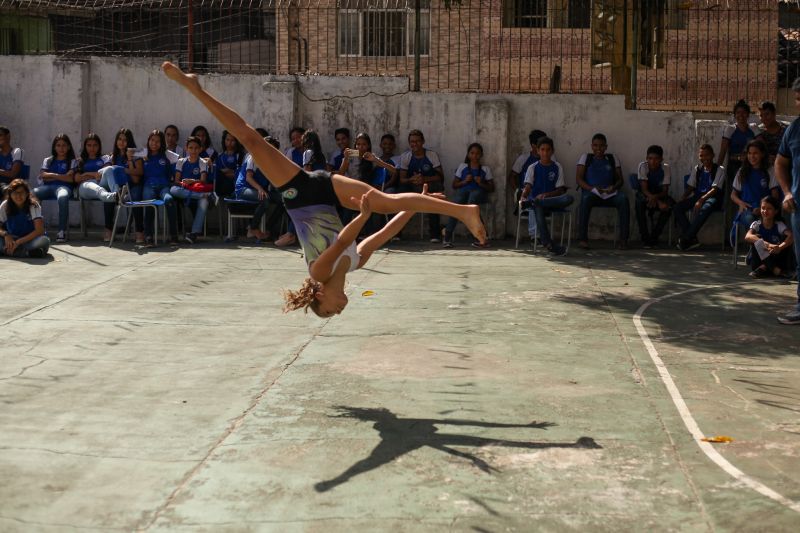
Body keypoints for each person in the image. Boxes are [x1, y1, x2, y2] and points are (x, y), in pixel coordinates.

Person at [161, 61, 486, 317]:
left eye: (329, 310)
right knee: (389, 202)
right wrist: (419, 203)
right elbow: (387, 230)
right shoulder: (355, 263)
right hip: (326, 191)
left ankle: (193, 87)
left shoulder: (319, 270)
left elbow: (345, 237)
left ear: (319, 295)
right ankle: (464, 210)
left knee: (250, 139)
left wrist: (362, 216)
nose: (338, 310)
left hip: (299, 193)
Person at [519, 137, 572, 256]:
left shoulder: (557, 166)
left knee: (569, 198)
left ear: (552, 151)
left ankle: (535, 203)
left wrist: (546, 195)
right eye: (542, 150)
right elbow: (528, 186)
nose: (545, 153)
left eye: (548, 150)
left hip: (552, 202)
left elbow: (559, 190)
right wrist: (523, 197)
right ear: (537, 151)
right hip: (539, 204)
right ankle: (548, 244)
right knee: (538, 207)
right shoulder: (533, 167)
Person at [775, 77, 800, 324]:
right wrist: (787, 191)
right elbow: (780, 163)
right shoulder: (793, 130)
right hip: (798, 206)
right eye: (797, 98)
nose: (798, 102)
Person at [575, 133, 629, 249]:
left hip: (610, 194)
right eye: (595, 145)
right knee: (585, 199)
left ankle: (623, 240)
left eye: (601, 146)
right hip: (592, 193)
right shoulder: (586, 157)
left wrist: (613, 188)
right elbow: (578, 179)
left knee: (623, 199)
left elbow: (620, 180)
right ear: (591, 146)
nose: (598, 149)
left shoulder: (612, 158)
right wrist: (592, 189)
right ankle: (583, 239)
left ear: (606, 147)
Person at [674, 144, 726, 251]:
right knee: (677, 207)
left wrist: (702, 200)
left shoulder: (719, 169)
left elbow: (715, 189)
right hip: (698, 197)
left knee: (705, 208)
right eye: (701, 156)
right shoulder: (697, 169)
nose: (704, 158)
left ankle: (686, 238)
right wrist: (683, 197)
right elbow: (691, 186)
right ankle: (691, 239)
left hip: (713, 198)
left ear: (713, 155)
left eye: (707, 155)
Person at [443, 142, 494, 248]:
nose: (475, 156)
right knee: (457, 205)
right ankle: (447, 237)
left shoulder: (485, 169)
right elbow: (454, 185)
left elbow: (491, 188)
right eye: (472, 153)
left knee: (472, 201)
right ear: (468, 154)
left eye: (477, 154)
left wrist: (481, 183)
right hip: (464, 192)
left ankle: (480, 237)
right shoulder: (463, 167)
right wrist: (464, 182)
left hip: (479, 193)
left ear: (481, 155)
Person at [398, 129, 445, 242]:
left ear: (423, 141)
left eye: (417, 141)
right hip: (412, 186)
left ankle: (434, 234)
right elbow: (402, 179)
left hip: (429, 186)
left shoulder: (431, 155)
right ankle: (397, 233)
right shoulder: (406, 156)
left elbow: (440, 177)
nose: (415, 144)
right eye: (412, 142)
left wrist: (424, 179)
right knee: (399, 192)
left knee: (433, 195)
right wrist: (411, 179)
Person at [730, 139, 780, 246]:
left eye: (755, 153)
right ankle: (758, 255)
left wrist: (765, 208)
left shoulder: (770, 170)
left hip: (765, 209)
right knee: (753, 223)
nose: (752, 156)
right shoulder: (742, 171)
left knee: (770, 225)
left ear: (762, 154)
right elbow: (733, 195)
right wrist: (741, 203)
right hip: (747, 209)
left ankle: (756, 255)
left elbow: (775, 194)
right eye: (750, 153)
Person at [33, 134, 78, 243]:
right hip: (48, 188)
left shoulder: (72, 161)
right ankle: (36, 229)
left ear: (68, 147)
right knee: (32, 194)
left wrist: (52, 176)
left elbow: (71, 179)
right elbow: (43, 176)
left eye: (64, 145)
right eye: (58, 145)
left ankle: (61, 231)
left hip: (64, 188)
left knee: (63, 197)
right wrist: (61, 176)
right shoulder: (48, 160)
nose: (61, 148)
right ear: (54, 147)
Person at [141, 129, 180, 246]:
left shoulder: (166, 156)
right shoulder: (143, 155)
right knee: (149, 203)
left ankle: (174, 236)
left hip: (164, 187)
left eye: (158, 141)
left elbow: (172, 174)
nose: (154, 143)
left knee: (169, 200)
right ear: (148, 141)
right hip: (149, 186)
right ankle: (148, 236)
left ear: (162, 143)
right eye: (152, 140)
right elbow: (130, 156)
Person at [170, 136, 212, 244]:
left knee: (204, 202)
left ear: (200, 149)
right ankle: (203, 195)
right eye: (191, 148)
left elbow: (203, 181)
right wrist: (184, 183)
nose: (193, 151)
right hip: (184, 190)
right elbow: (176, 181)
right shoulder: (181, 161)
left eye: (196, 148)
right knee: (173, 190)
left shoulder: (202, 162)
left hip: (196, 189)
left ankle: (194, 233)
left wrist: (192, 181)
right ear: (186, 149)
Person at [74, 133, 115, 241]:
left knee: (109, 170)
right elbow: (77, 178)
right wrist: (93, 175)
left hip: (102, 183)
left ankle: (116, 194)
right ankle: (111, 195)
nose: (92, 148)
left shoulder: (104, 158)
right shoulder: (80, 160)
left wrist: (85, 174)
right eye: (89, 145)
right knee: (102, 191)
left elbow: (105, 172)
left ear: (99, 146)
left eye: (95, 145)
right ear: (85, 146)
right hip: (85, 187)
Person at [234, 136, 276, 241]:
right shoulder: (254, 156)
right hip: (243, 189)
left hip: (258, 190)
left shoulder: (272, 160)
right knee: (265, 199)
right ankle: (253, 228)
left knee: (284, 200)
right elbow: (248, 178)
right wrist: (260, 189)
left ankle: (269, 228)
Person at [744, 196, 794, 279]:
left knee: (785, 237)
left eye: (769, 209)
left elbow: (791, 236)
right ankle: (775, 270)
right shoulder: (757, 224)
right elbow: (747, 237)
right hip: (758, 262)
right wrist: (769, 245)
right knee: (756, 238)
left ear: (776, 211)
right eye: (763, 208)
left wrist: (779, 248)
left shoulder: (779, 224)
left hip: (776, 259)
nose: (765, 211)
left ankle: (765, 268)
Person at [635, 145, 674, 248]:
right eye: (650, 158)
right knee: (639, 203)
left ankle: (654, 237)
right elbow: (644, 189)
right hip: (645, 194)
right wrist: (658, 202)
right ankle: (645, 238)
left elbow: (665, 191)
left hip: (658, 194)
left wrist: (657, 199)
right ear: (647, 158)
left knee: (669, 206)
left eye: (656, 159)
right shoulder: (643, 166)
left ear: (661, 159)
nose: (653, 162)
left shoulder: (666, 168)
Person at [0, 179, 50, 258]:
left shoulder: (33, 205)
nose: (18, 196)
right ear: (10, 194)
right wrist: (6, 235)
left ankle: (8, 251)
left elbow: (39, 230)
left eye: (21, 192)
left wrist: (19, 242)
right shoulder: (5, 205)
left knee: (44, 241)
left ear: (27, 193)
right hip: (12, 239)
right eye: (15, 193)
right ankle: (26, 253)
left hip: (30, 239)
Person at [215, 130, 245, 199]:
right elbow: (217, 172)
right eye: (227, 140)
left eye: (232, 140)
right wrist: (225, 171)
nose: (229, 142)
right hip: (221, 183)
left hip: (233, 184)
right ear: (224, 140)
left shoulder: (240, 156)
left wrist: (232, 172)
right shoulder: (220, 156)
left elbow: (241, 172)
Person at [0, 126, 24, 197]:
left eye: (0, 135)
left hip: (12, 185)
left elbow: (13, 174)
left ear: (8, 136)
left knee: (6, 190)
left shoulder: (16, 151)